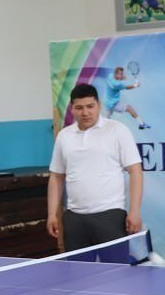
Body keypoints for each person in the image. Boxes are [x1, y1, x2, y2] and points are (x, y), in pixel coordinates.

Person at [47, 84, 143, 252]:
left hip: (111, 215)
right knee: (78, 268)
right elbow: (56, 177)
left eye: (90, 106)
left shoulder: (117, 130)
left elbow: (135, 171)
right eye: (79, 108)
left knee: (115, 268)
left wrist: (134, 210)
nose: (85, 113)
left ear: (98, 105)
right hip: (74, 218)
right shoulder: (64, 136)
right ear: (72, 109)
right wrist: (51, 214)